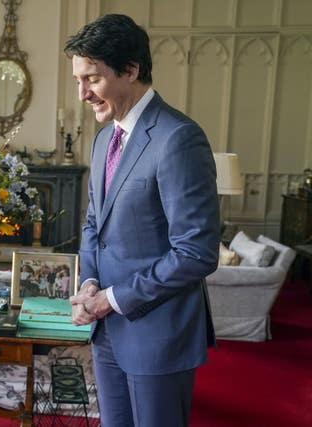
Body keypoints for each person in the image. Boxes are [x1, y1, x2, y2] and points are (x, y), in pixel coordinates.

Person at [65, 14, 219, 427]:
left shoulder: (178, 138)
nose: (82, 93)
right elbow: (93, 225)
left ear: (130, 69)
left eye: (92, 79)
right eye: (79, 80)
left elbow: (196, 252)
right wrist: (89, 284)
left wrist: (110, 300)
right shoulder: (102, 139)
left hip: (159, 335)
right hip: (107, 332)